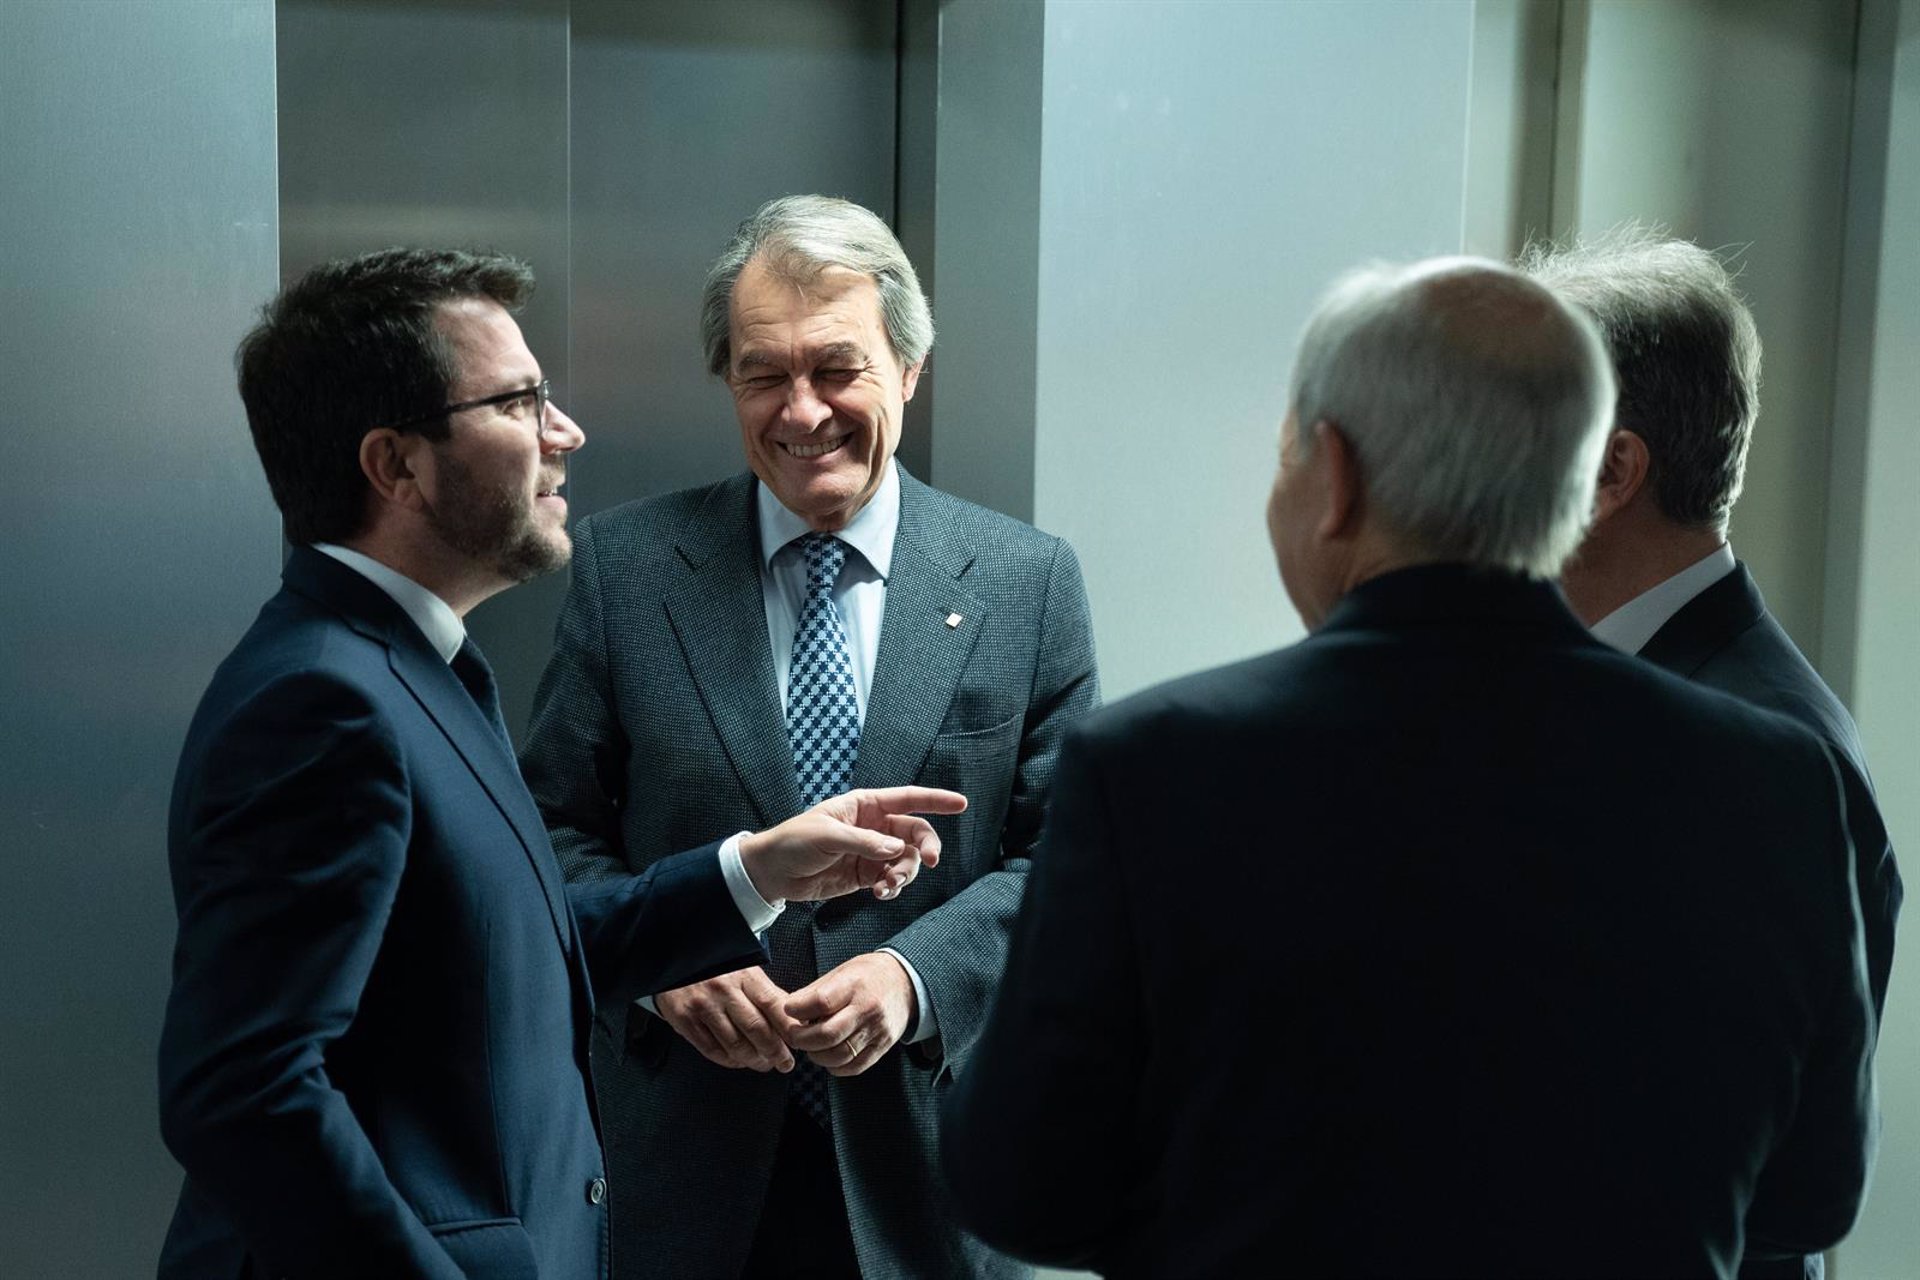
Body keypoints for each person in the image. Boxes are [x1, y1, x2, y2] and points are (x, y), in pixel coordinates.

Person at [939, 257, 1877, 1278]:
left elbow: (1017, 1184)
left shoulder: (1154, 766)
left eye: (1286, 457)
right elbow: (1812, 1192)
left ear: (1337, 476)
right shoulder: (1779, 777)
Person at [156, 247, 962, 1280]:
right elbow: (243, 1092)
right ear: (395, 465)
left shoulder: (418, 667)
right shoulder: (321, 702)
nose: (564, 431)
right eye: (519, 401)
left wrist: (753, 871)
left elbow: (500, 948)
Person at [519, 195, 1099, 1279]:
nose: (801, 411)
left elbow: (1071, 866)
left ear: (909, 370)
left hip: (933, 1182)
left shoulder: (1027, 583)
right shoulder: (624, 570)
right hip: (681, 1180)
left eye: (837, 368)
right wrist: (657, 960)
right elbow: (544, 830)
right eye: (763, 374)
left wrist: (913, 978)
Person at [1525, 232, 1901, 1279]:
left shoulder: (1771, 752)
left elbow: (1784, 1172)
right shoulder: (1583, 689)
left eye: (1511, 431)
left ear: (1612, 471)